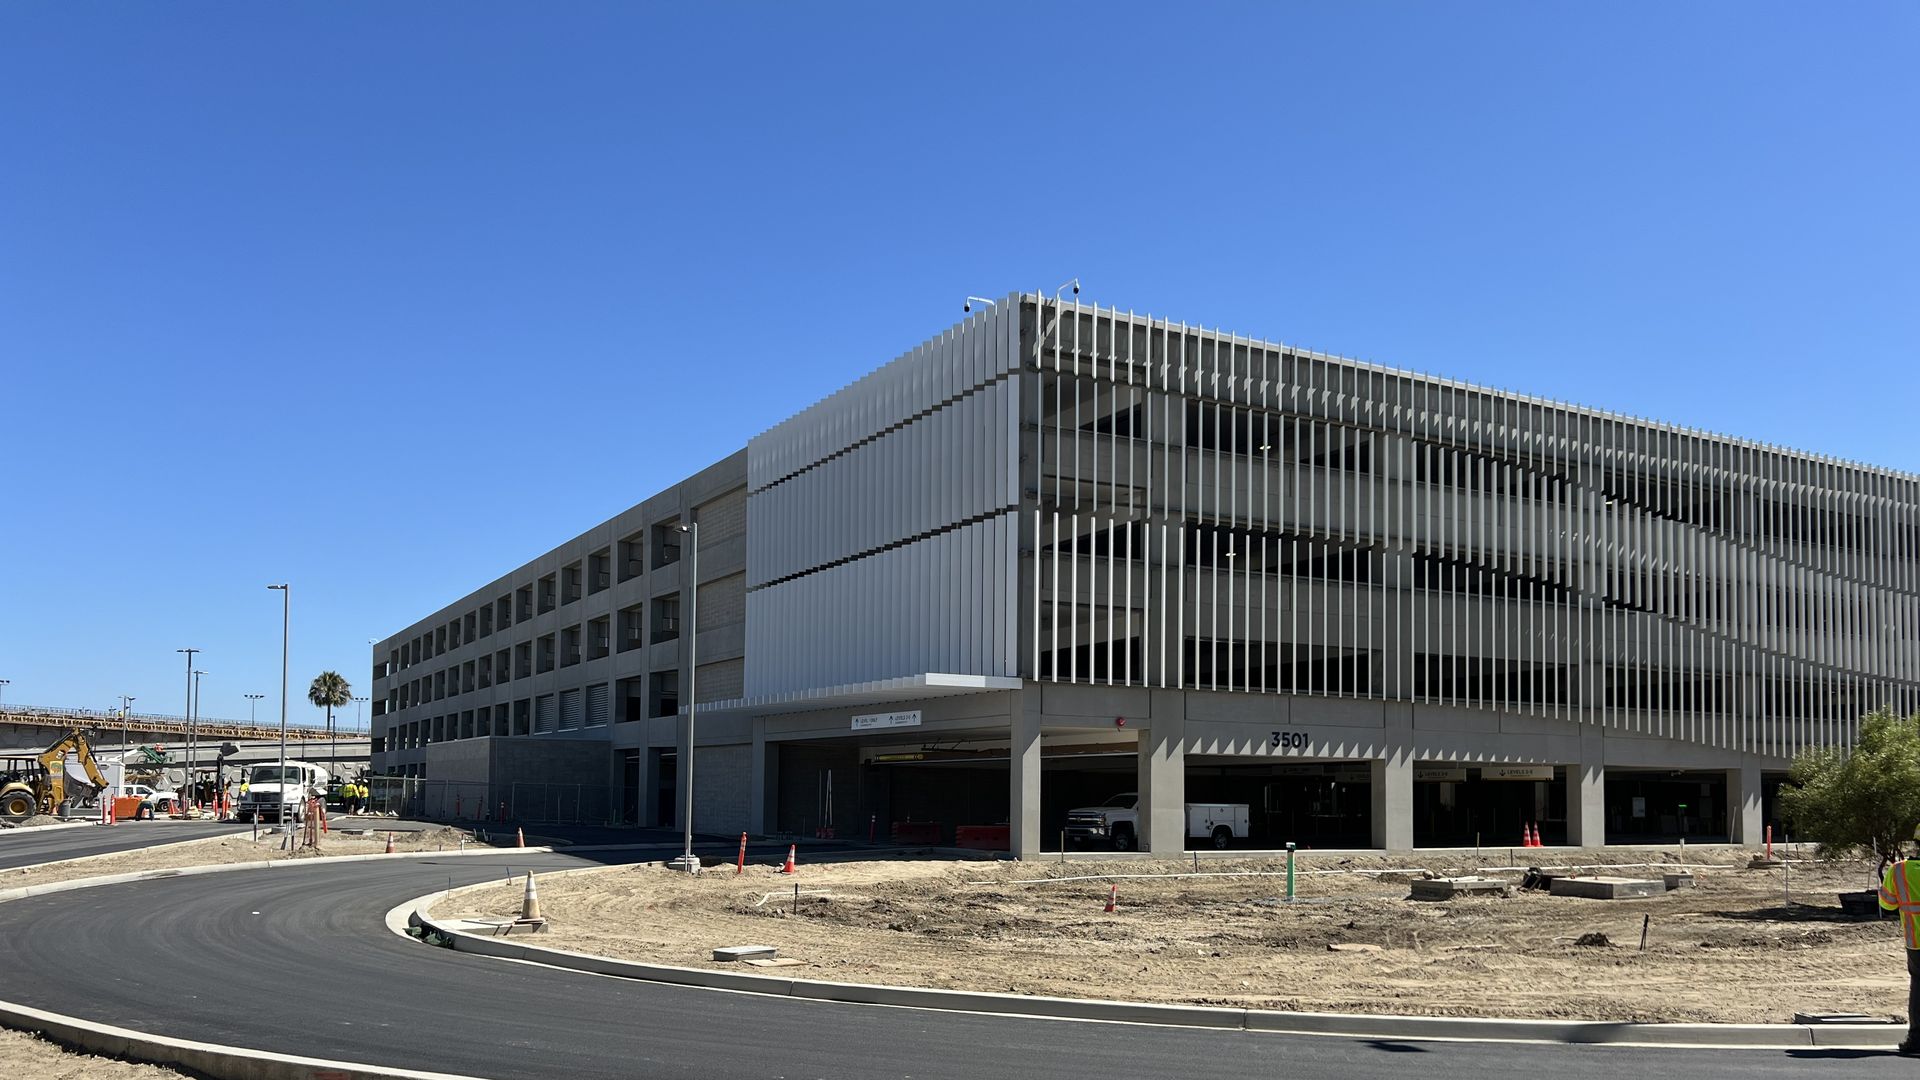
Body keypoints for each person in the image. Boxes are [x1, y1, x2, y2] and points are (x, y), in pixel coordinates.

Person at [1878, 829, 1920, 1056]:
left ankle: (1916, 1039)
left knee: (1919, 988)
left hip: (1916, 941)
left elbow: (1887, 905)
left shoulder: (1899, 870)